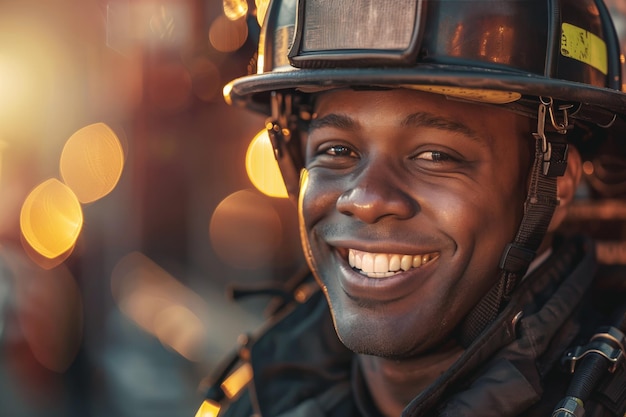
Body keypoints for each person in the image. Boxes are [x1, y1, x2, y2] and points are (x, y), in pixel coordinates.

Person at [198, 0, 626, 416]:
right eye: (338, 149)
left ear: (557, 183)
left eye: (436, 156)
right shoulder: (256, 398)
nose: (366, 200)